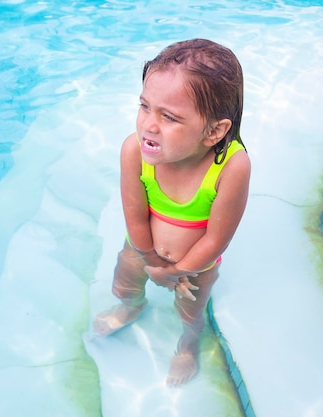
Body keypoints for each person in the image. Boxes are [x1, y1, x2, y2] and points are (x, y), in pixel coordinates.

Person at [93, 39, 251, 386]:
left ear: (214, 131)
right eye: (145, 106)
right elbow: (135, 218)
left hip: (196, 264)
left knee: (191, 312)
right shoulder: (133, 150)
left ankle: (188, 344)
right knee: (125, 281)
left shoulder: (231, 167)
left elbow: (216, 239)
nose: (149, 124)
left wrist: (179, 270)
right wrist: (151, 261)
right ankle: (131, 306)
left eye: (169, 117)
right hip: (142, 247)